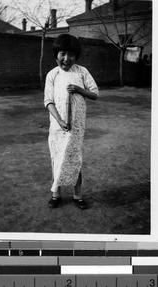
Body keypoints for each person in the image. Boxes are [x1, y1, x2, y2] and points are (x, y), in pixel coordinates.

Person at [44, 34, 99, 209]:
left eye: (71, 55)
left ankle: (78, 195)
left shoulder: (82, 72)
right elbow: (48, 101)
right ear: (56, 54)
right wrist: (59, 120)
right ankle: (56, 194)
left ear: (76, 57)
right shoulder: (52, 74)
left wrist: (79, 90)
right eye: (63, 54)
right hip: (58, 126)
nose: (66, 59)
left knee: (75, 159)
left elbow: (95, 94)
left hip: (76, 126)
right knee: (57, 158)